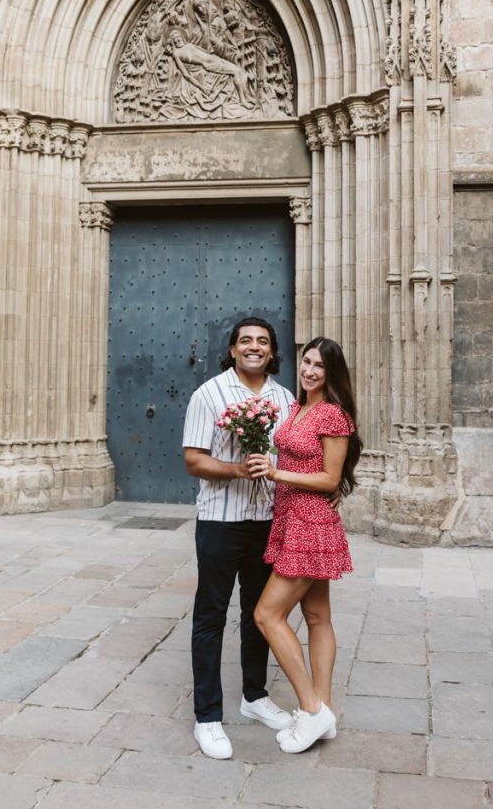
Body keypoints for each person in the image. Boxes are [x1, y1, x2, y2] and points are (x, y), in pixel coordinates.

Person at [183, 317, 295, 760]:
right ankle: (207, 717)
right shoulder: (208, 394)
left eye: (262, 342)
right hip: (220, 520)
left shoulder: (285, 399)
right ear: (232, 349)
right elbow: (193, 460)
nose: (254, 347)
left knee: (259, 612)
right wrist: (235, 470)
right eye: (245, 341)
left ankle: (254, 696)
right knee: (210, 615)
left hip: (266, 518)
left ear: (271, 351)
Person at [248, 337, 362, 754]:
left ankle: (311, 710)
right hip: (290, 517)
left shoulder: (332, 414)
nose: (310, 370)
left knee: (267, 614)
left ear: (333, 373)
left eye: (319, 366)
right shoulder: (299, 407)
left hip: (309, 523)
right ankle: (324, 713)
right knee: (316, 615)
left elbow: (330, 479)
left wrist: (278, 475)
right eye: (306, 361)